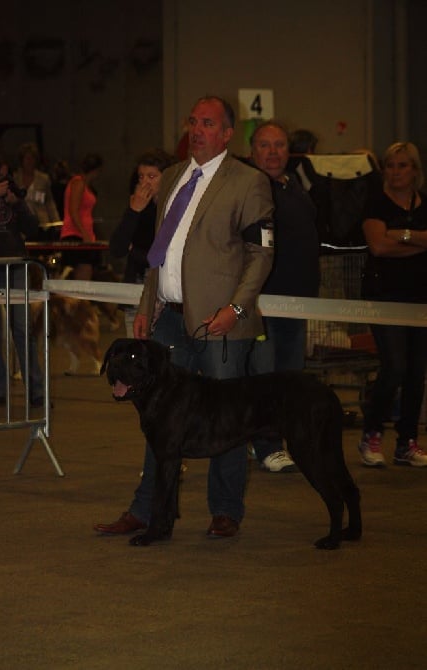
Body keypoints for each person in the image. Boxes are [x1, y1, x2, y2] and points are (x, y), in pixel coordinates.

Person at [94, 95, 274, 539]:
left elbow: (261, 253)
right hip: (169, 320)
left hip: (221, 324)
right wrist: (146, 308)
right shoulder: (172, 177)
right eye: (193, 122)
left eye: (208, 123)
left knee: (225, 421)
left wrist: (235, 309)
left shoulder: (248, 182)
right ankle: (148, 510)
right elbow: (159, 255)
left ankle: (226, 511)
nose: (197, 130)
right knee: (158, 422)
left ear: (228, 134)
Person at [246, 121, 320, 471]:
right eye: (265, 145)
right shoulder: (247, 188)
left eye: (279, 145)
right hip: (263, 303)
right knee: (266, 376)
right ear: (252, 151)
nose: (273, 152)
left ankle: (291, 441)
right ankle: (265, 445)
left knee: (292, 377)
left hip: (298, 301)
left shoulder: (295, 187)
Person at [359, 141, 427, 467]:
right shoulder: (375, 203)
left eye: (403, 165)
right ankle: (371, 433)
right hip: (384, 296)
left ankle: (407, 441)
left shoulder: (424, 203)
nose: (396, 172)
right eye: (391, 165)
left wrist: (398, 234)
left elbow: (390, 241)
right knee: (395, 367)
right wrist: (416, 239)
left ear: (415, 170)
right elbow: (378, 247)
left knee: (416, 372)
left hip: (420, 297)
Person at [0, 153, 44, 406]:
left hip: (15, 265)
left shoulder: (13, 195)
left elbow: (33, 228)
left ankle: (36, 389)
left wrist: (17, 203)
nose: (5, 180)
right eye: (0, 175)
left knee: (22, 328)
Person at [109, 149, 176, 336]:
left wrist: (135, 251)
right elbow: (117, 248)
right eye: (141, 177)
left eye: (152, 176)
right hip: (136, 292)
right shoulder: (136, 207)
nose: (145, 182)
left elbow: (164, 255)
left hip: (166, 295)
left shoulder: (175, 208)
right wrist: (133, 211)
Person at [60, 153, 103, 280]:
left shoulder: (85, 185)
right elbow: (73, 211)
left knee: (86, 273)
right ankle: (79, 300)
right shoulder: (78, 183)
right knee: (83, 275)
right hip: (76, 234)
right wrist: (84, 234)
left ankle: (80, 299)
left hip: (84, 234)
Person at [13, 142, 60, 226]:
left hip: (41, 222)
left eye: (32, 158)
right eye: (27, 158)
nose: (30, 161)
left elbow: (49, 202)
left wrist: (56, 222)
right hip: (20, 223)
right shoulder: (15, 178)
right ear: (22, 160)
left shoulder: (43, 178)